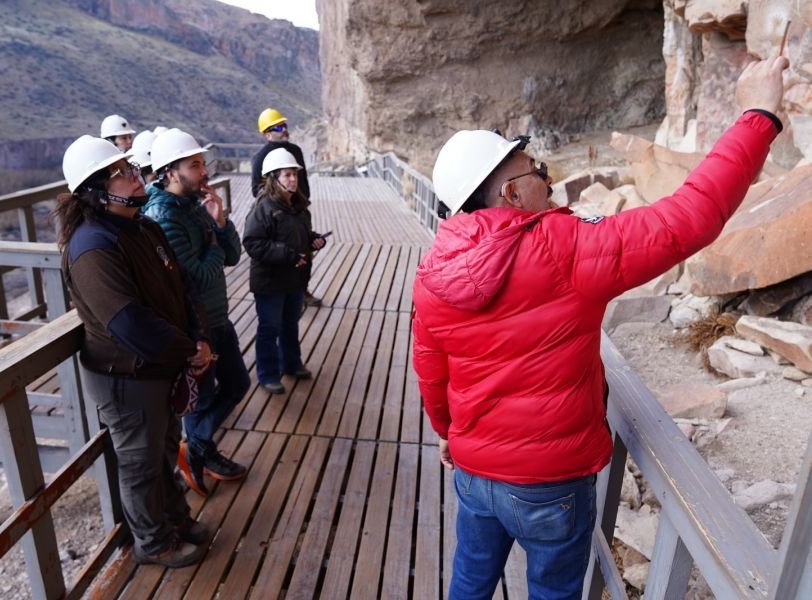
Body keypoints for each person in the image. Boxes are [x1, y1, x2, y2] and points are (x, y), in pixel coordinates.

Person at [412, 56, 789, 600]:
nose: (546, 176)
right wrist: (758, 115)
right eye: (535, 169)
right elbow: (689, 218)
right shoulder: (564, 250)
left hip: (474, 473)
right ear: (511, 196)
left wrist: (450, 433)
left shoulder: (434, 268)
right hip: (551, 484)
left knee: (468, 585)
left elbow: (431, 370)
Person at [55, 135, 213, 568]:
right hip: (127, 376)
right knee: (141, 461)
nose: (132, 175)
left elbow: (182, 287)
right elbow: (129, 324)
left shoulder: (142, 225)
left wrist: (197, 336)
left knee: (164, 446)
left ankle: (175, 520)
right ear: (94, 189)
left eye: (129, 168)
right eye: (120, 173)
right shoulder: (91, 247)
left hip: (159, 365)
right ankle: (153, 541)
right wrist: (189, 350)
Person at [143, 128, 250, 495]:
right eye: (195, 165)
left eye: (203, 163)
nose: (204, 172)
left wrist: (220, 223)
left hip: (218, 317)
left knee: (238, 383)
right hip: (196, 327)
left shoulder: (194, 205)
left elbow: (233, 257)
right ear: (171, 172)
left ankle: (196, 450)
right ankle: (201, 452)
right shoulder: (161, 217)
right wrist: (213, 244)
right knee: (200, 401)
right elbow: (200, 274)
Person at [243, 148, 327, 394]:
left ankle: (291, 364)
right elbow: (252, 243)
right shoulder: (264, 208)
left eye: (295, 175)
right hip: (270, 283)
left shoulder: (298, 206)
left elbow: (298, 235)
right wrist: (288, 255)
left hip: (294, 280)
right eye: (287, 175)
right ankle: (268, 374)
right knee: (269, 328)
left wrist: (313, 239)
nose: (293, 179)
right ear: (273, 178)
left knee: (290, 324)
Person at [251, 108, 322, 308]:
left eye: (285, 126)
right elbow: (256, 188)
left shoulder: (296, 151)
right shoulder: (260, 158)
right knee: (282, 251)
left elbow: (304, 181)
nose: (284, 130)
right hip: (275, 214)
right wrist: (277, 203)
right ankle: (283, 295)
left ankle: (302, 290)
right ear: (267, 134)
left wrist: (301, 203)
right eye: (279, 127)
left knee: (304, 249)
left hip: (298, 211)